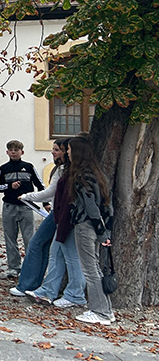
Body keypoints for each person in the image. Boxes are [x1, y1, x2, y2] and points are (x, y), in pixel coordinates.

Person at [17, 139, 86, 307]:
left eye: (62, 149)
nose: (54, 152)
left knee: (70, 256)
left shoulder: (74, 172)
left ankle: (75, 295)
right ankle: (47, 291)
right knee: (56, 254)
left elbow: (54, 193)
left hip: (67, 217)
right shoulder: (66, 170)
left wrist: (27, 196)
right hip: (61, 215)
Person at [66, 136, 115, 325]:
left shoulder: (81, 176)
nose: (68, 153)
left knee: (90, 270)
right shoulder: (98, 173)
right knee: (95, 268)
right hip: (97, 226)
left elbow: (91, 207)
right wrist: (106, 230)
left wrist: (101, 231)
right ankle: (106, 309)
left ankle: (100, 312)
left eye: (70, 149)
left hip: (86, 226)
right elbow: (106, 205)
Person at [0, 140, 45, 277]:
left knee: (29, 237)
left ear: (22, 152)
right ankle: (14, 267)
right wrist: (10, 186)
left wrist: (45, 202)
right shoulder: (3, 168)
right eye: (11, 149)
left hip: (26, 206)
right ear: (7, 152)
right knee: (10, 237)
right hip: (9, 206)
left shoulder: (28, 167)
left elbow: (40, 185)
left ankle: (30, 266)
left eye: (16, 149)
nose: (14, 152)